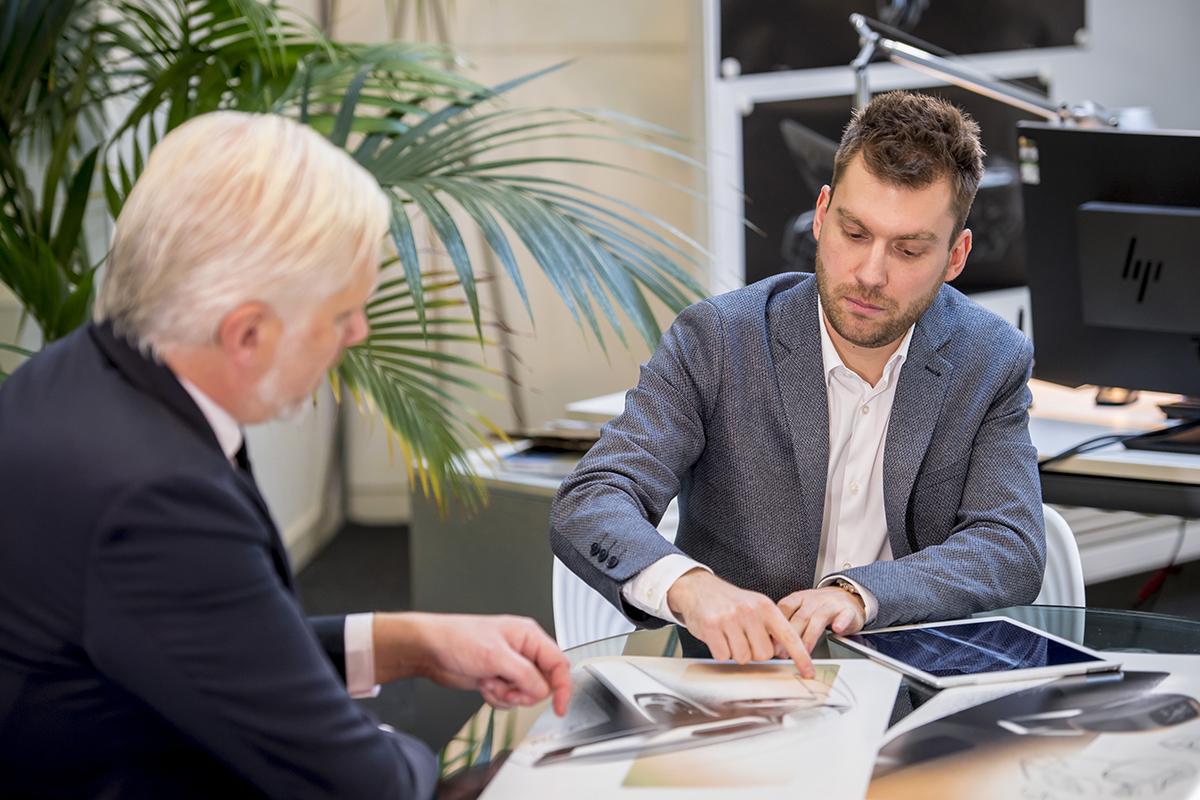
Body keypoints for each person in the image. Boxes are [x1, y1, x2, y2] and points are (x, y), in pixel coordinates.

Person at [0, 111, 570, 798]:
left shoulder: (83, 376)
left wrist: (409, 640)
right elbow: (361, 786)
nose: (358, 333)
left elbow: (211, 641)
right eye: (339, 315)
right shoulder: (156, 496)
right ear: (246, 333)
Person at [550, 91, 1045, 671]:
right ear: (821, 214)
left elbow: (1008, 547)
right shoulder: (720, 339)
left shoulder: (989, 358)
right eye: (854, 234)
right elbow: (593, 497)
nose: (870, 274)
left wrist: (860, 595)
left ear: (955, 256)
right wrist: (690, 587)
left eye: (909, 250)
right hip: (739, 697)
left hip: (913, 697)